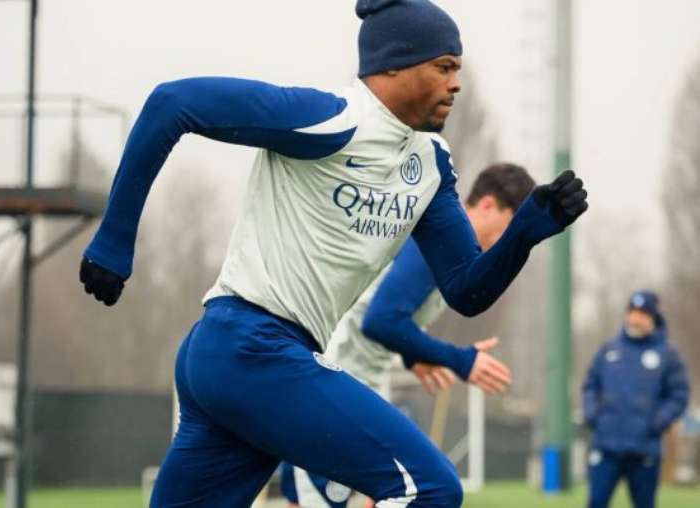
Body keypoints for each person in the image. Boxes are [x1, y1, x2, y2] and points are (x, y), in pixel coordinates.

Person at [79, 1, 588, 506]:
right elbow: (172, 103)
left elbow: (466, 290)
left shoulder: (431, 164)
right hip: (248, 345)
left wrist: (524, 233)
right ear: (394, 63)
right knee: (430, 489)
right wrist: (114, 240)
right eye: (444, 67)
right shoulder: (330, 119)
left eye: (458, 69)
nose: (456, 83)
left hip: (246, 360)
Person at [281, 163, 535, 508]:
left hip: (351, 389)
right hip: (329, 388)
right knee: (425, 486)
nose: (507, 240)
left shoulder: (449, 251)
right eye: (510, 225)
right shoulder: (437, 240)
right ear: (488, 205)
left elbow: (383, 313)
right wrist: (461, 360)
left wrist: (413, 356)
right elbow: (380, 320)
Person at [582, 290, 689, 508]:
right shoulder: (609, 350)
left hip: (644, 449)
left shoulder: (667, 354)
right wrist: (592, 413)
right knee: (596, 502)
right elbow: (590, 385)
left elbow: (679, 395)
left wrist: (657, 421)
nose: (635, 318)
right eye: (632, 312)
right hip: (606, 446)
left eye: (642, 313)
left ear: (653, 318)